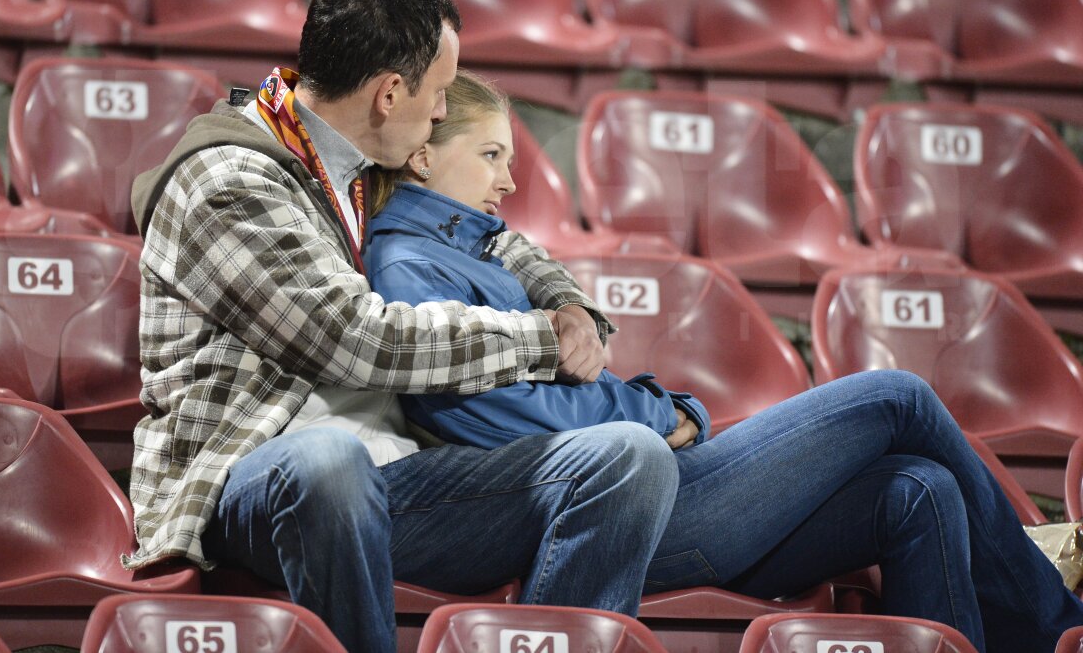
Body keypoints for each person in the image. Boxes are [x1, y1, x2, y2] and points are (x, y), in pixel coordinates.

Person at [365, 70, 1083, 653]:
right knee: (897, 395)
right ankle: (1053, 621)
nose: (509, 182)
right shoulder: (406, 264)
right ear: (423, 155)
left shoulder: (475, 252)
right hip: (629, 506)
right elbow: (502, 417)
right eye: (491, 155)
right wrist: (659, 408)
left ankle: (1020, 625)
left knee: (919, 490)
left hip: (658, 487)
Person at [124, 0, 680, 653]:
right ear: (390, 93)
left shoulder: (363, 155)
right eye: (440, 92)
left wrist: (565, 300)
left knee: (627, 455)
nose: (443, 111)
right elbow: (355, 340)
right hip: (249, 478)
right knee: (326, 460)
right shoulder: (228, 180)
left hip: (395, 472)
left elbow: (494, 239)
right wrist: (540, 339)